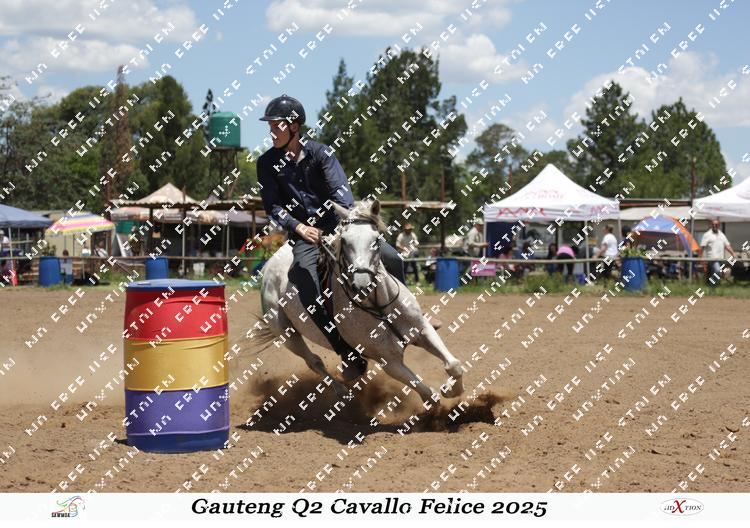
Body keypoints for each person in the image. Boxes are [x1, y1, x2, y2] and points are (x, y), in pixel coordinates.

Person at [256, 94, 440, 382]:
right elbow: (273, 207)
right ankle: (347, 353)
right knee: (305, 280)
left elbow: (341, 194)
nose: (271, 132)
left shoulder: (321, 154)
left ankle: (410, 315)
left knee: (391, 256)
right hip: (305, 236)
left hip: (337, 226)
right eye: (270, 126)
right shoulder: (266, 163)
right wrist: (299, 227)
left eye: (276, 126)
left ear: (294, 126)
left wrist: (343, 224)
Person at [700, 219, 736, 285]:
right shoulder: (707, 234)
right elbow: (702, 247)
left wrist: (733, 253)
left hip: (721, 259)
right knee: (717, 271)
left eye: (716, 224)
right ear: (711, 225)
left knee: (717, 272)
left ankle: (713, 285)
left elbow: (727, 245)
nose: (714, 226)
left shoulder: (721, 234)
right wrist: (700, 258)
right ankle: (712, 286)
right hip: (712, 259)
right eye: (713, 224)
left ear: (719, 225)